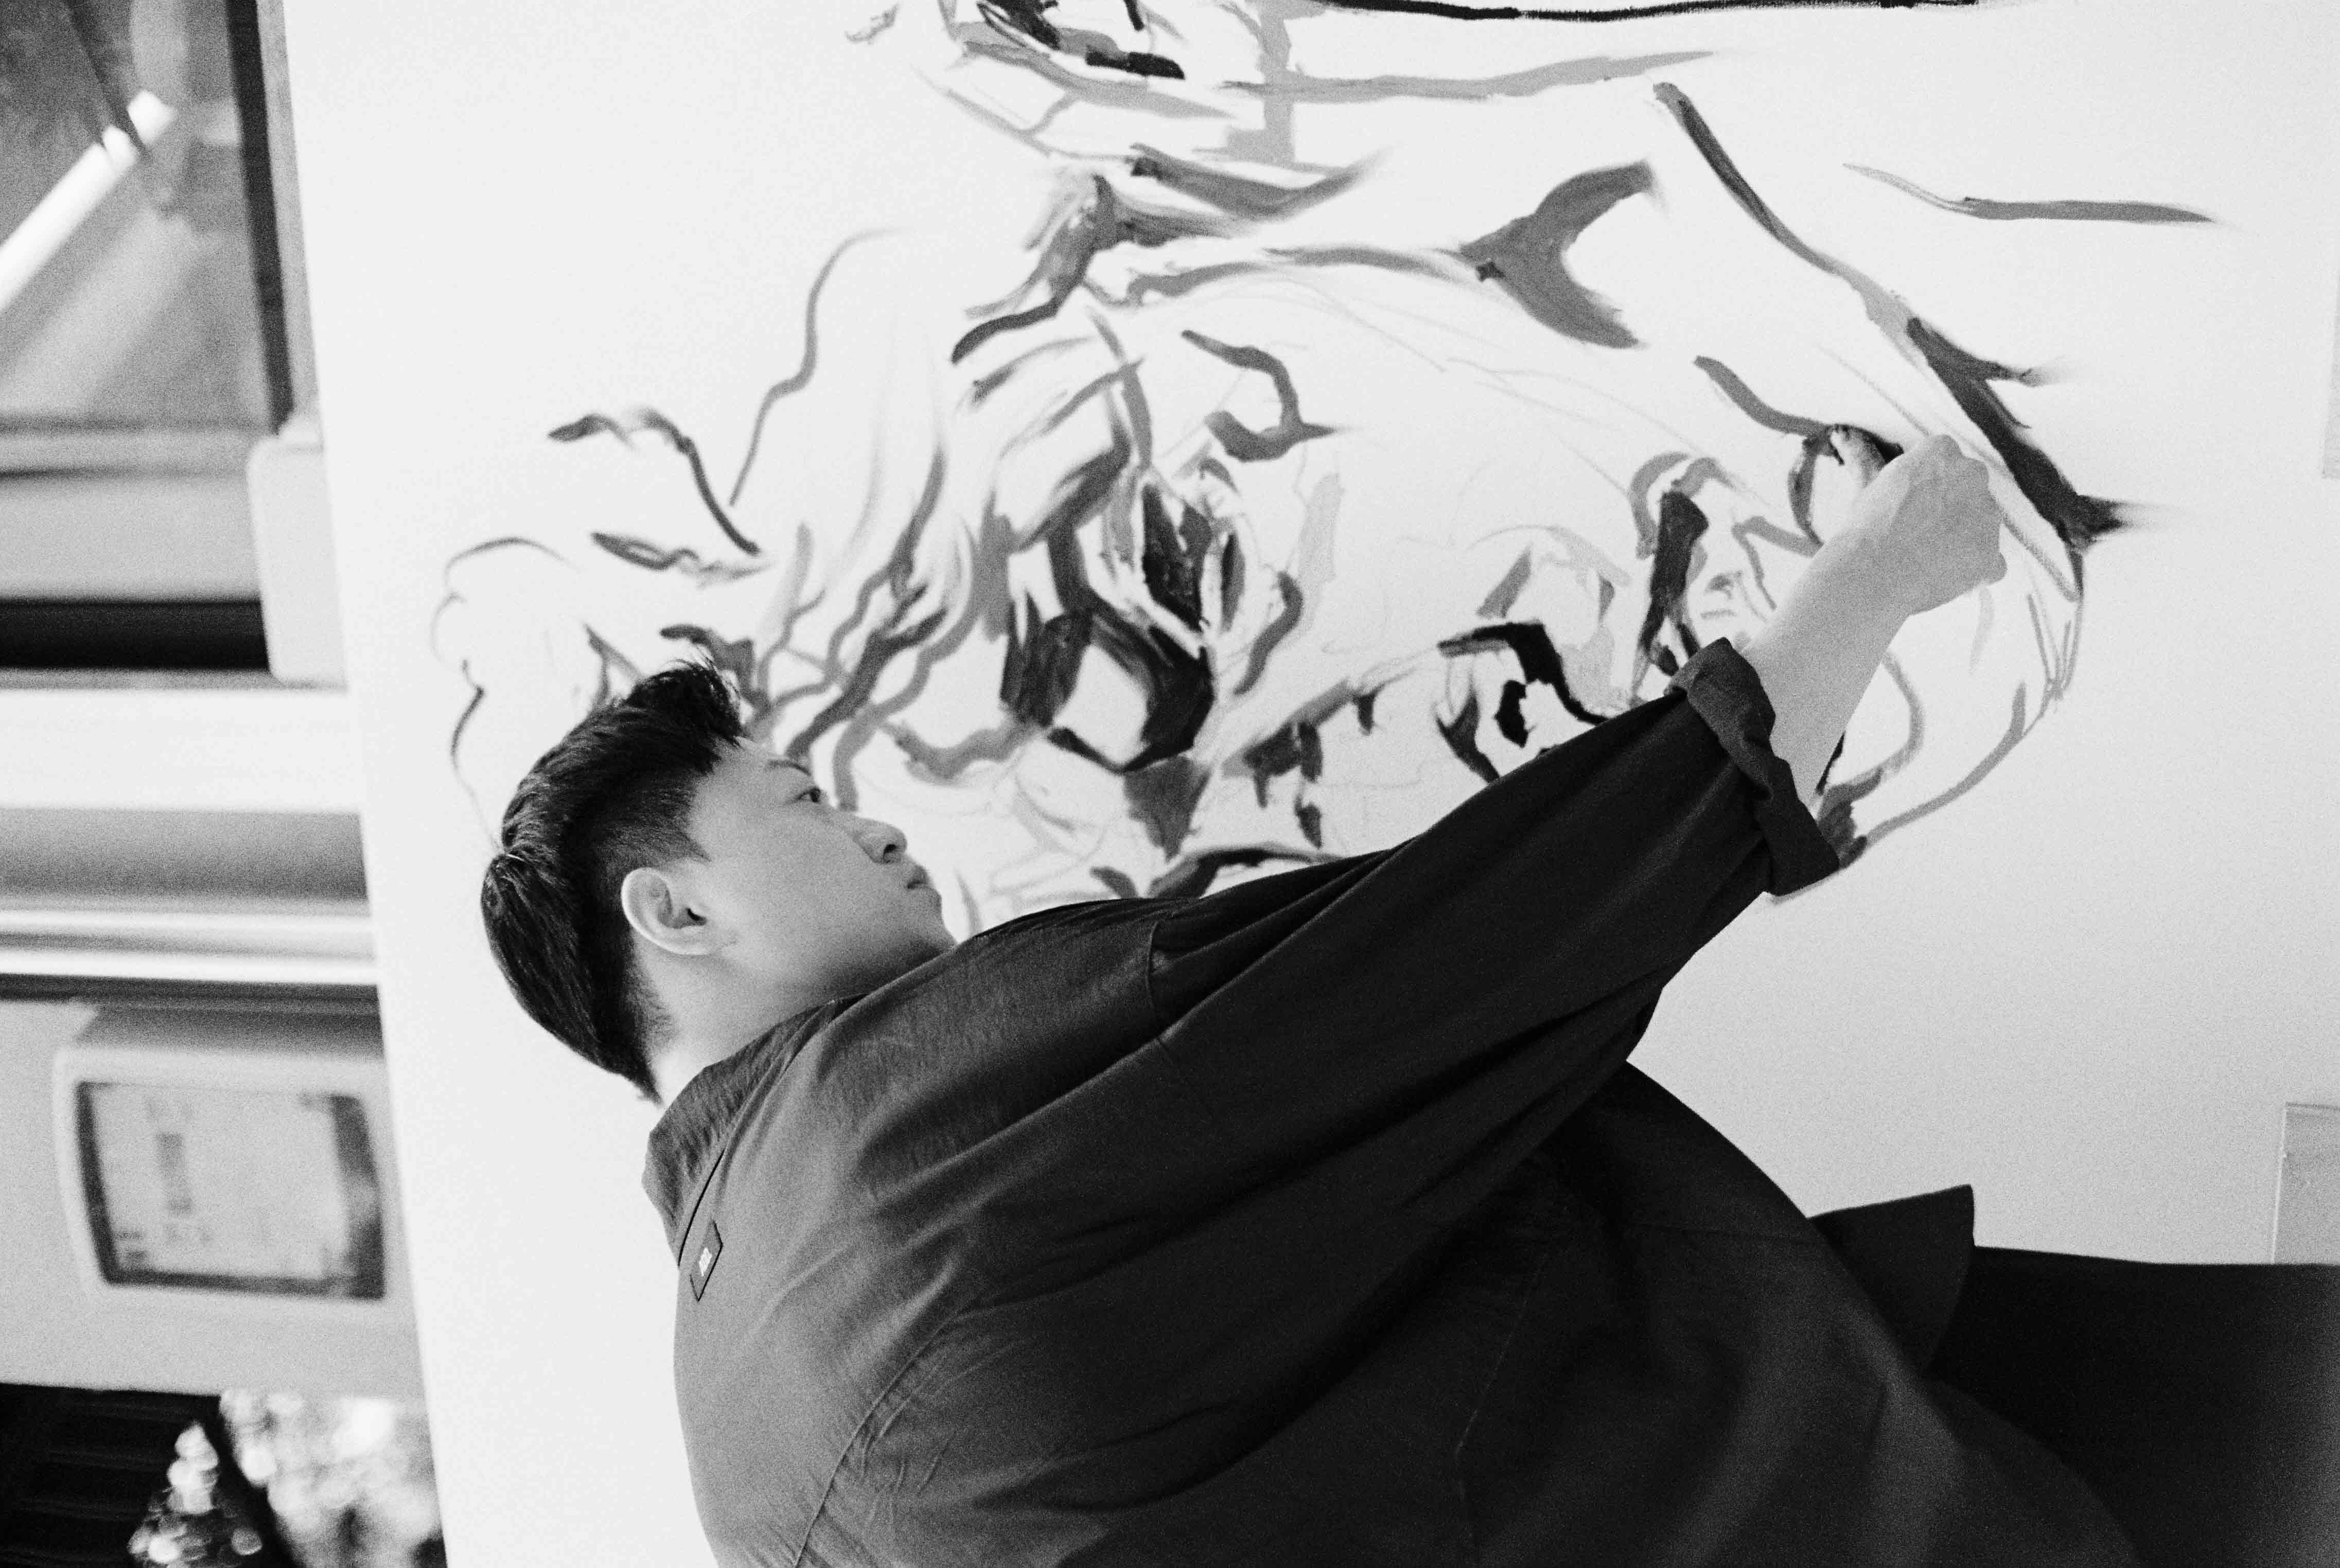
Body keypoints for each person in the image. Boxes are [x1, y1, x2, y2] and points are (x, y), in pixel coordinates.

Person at [480, 436, 2333, 1566]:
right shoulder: (909, 1112)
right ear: (673, 908)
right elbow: (1469, 945)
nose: (879, 825)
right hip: (1864, 1480)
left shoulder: (742, 1468)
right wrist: (1869, 581)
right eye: (804, 803)